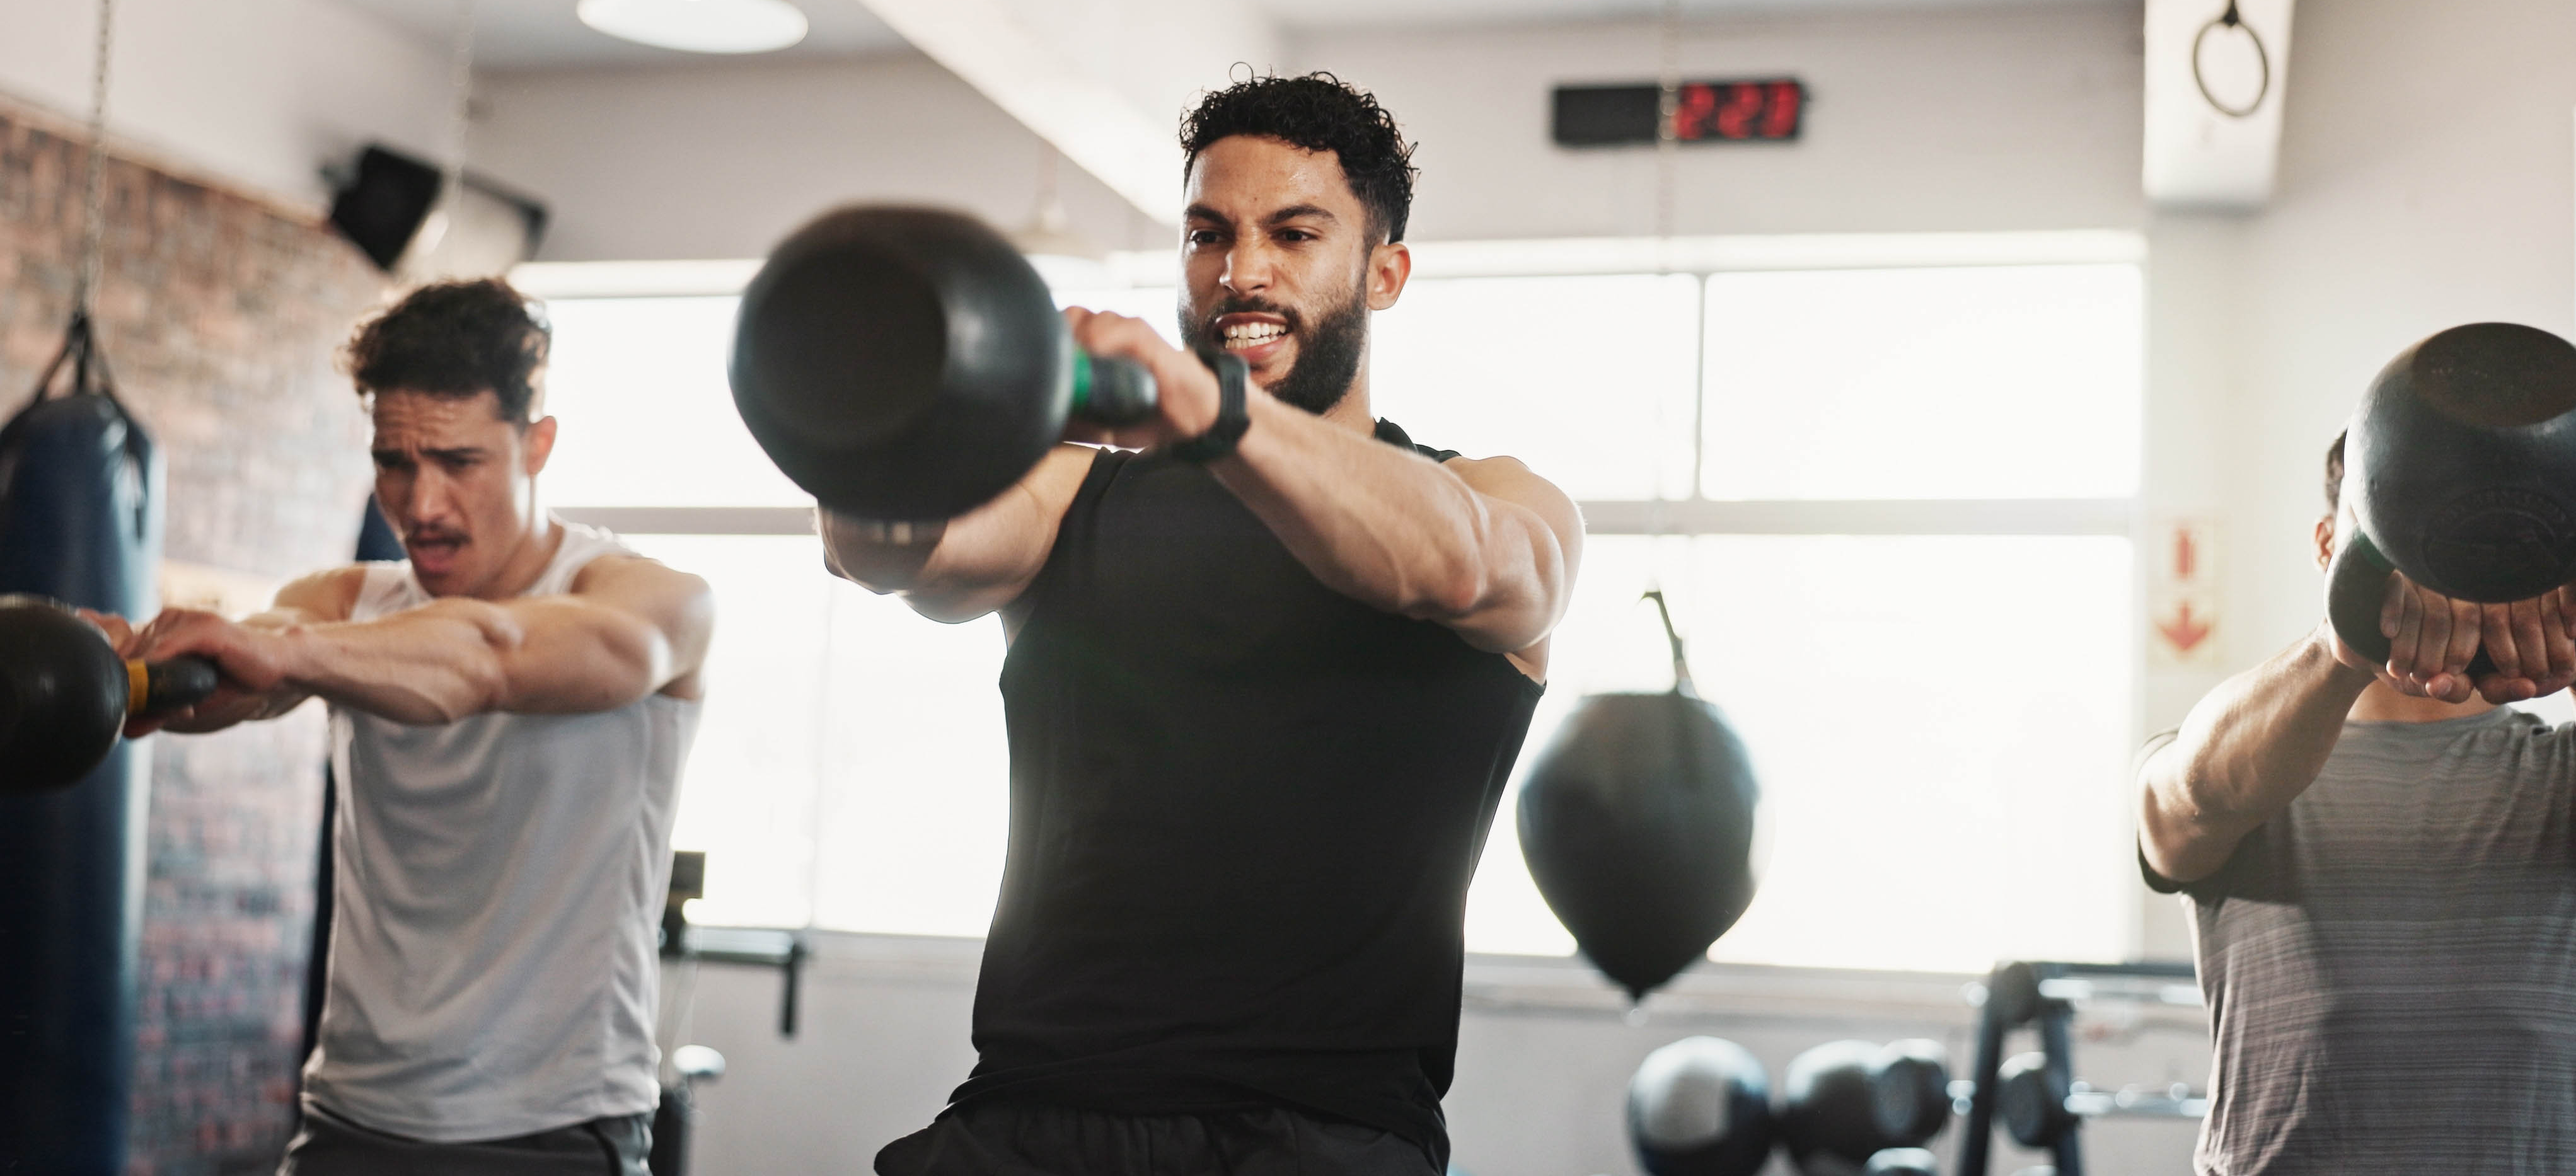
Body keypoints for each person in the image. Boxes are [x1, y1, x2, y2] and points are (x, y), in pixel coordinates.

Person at [824, 72, 1584, 1176]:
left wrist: (1200, 407)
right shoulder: (1074, 493)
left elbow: (1469, 572)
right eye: (1207, 232)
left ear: (1386, 273)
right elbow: (888, 550)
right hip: (1032, 1121)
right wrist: (906, 401)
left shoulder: (1493, 497)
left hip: (1323, 1136)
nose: (1242, 270)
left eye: (1294, 232)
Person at [96, 279, 714, 1175]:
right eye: (395, 461)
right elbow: (231, 680)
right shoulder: (344, 605)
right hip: (351, 1115)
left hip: (552, 1126)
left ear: (537, 445)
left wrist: (295, 654)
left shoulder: (648, 601)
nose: (420, 505)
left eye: (458, 463)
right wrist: (118, 672)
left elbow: (489, 657)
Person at [2135, 430, 2576, 1173]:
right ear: (2326, 545)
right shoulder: (2244, 764)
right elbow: (2189, 795)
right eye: (2393, 526)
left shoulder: (2562, 768)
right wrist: (2344, 640)